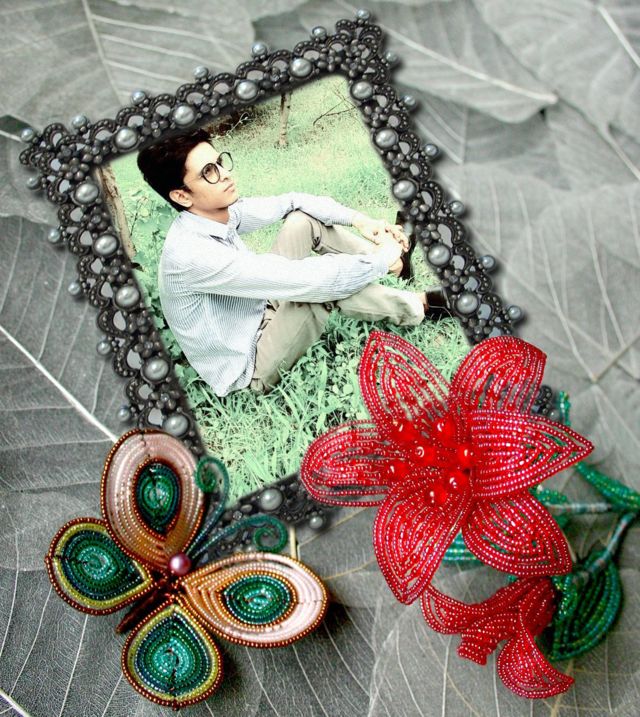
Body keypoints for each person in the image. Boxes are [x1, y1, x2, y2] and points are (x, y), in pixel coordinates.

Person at [136, 127, 452, 397]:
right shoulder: (192, 256)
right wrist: (382, 258)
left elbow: (293, 202)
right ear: (182, 196)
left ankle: (398, 265)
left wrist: (361, 221)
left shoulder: (216, 214)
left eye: (220, 162)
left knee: (302, 221)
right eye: (209, 172)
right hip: (250, 365)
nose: (225, 173)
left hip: (260, 308)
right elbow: (312, 280)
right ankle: (420, 305)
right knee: (317, 291)